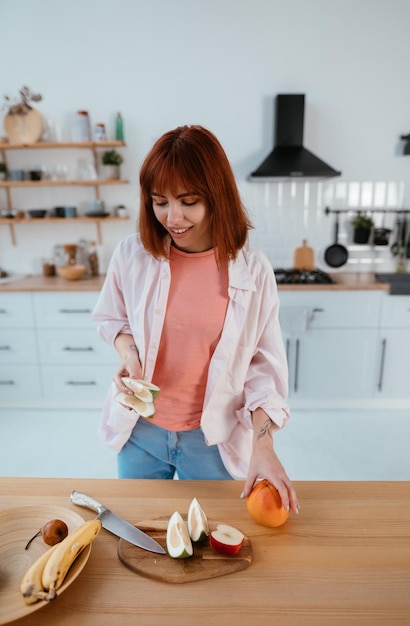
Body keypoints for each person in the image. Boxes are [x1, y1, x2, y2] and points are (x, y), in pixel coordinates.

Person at [92, 125, 299, 514]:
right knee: (138, 538)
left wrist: (264, 445)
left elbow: (263, 372)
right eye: (160, 201)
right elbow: (111, 317)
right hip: (140, 433)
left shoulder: (253, 272)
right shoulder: (132, 255)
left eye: (188, 201)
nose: (173, 217)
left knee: (210, 550)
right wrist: (128, 351)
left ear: (216, 197)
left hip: (212, 443)